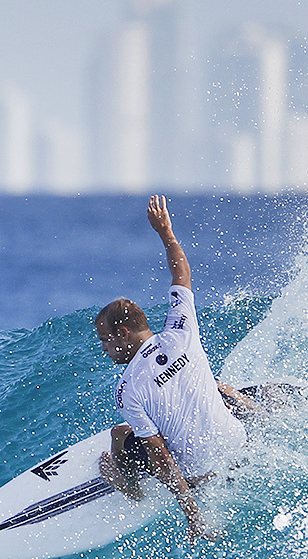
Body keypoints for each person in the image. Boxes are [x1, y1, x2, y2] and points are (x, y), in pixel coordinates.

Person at [93, 195, 258, 541]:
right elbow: (180, 272)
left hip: (203, 474)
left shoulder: (128, 389)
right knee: (217, 386)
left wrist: (193, 514)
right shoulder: (181, 331)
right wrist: (166, 233)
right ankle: (259, 413)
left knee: (119, 434)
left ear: (123, 334)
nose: (105, 349)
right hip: (238, 446)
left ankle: (128, 486)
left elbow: (161, 456)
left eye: (106, 340)